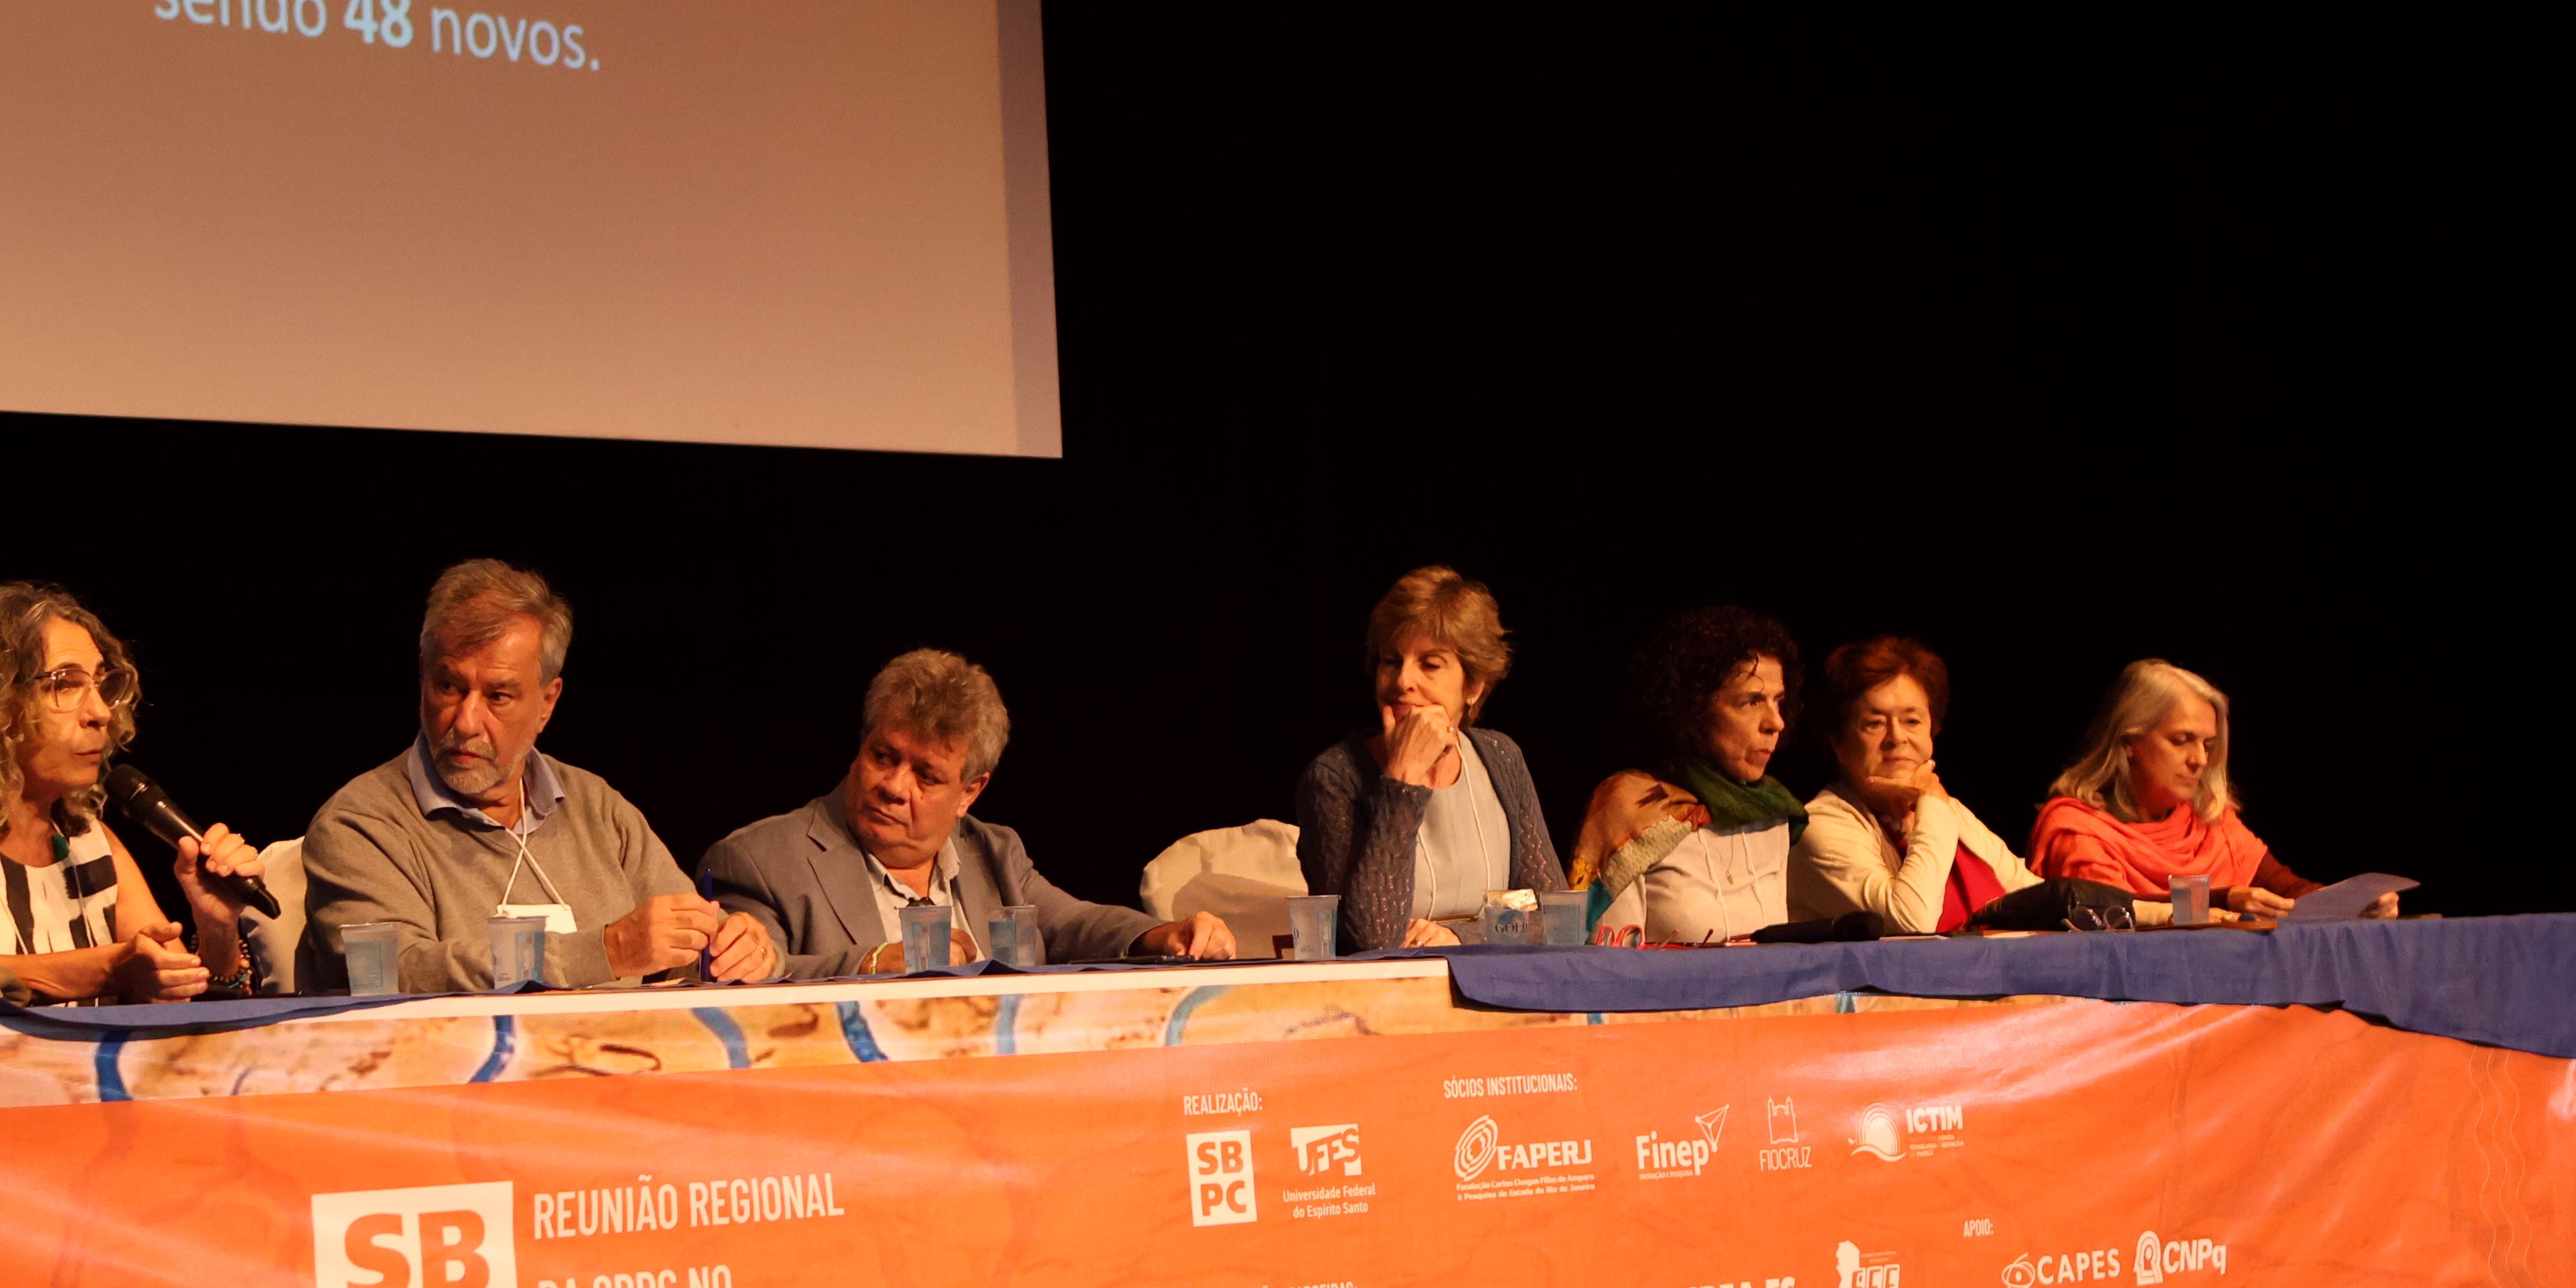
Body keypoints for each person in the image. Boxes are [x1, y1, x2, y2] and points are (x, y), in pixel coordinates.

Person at [298, 559, 777, 993]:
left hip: (619, 1073)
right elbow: (392, 975)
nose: (466, 721)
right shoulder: (359, 825)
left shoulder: (597, 808)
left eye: (498, 696)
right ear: (422, 677)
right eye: (448, 686)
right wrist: (605, 953)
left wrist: (734, 949)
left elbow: (685, 947)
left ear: (547, 702)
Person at [701, 650, 1238, 977]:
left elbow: (1074, 923)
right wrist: (873, 965)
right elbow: (754, 975)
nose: (892, 786)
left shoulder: (993, 852)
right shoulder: (761, 861)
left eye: (926, 775)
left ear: (969, 792)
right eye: (883, 756)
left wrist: (1163, 935)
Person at [0, 581, 266, 1004]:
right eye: (66, 684)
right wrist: (104, 971)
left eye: (101, 685)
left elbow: (188, 1004)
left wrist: (216, 926)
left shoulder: (91, 844)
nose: (101, 713)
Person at [1294, 565, 1569, 949]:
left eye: (1430, 664)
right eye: (1391, 660)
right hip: (1392, 997)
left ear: (1473, 684)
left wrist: (1460, 937)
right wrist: (1402, 780)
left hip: (1499, 987)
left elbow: (1558, 920)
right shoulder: (1333, 779)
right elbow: (1372, 939)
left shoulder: (1501, 757)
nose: (1403, 680)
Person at [2027, 657, 2396, 917]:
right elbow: (2118, 915)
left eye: (2207, 744)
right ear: (2129, 743)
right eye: (2182, 740)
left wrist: (2355, 905)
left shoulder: (2209, 820)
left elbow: (2288, 890)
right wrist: (2224, 900)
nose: (2200, 760)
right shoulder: (2077, 829)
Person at [1574, 607, 1810, 944]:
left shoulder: (1773, 811)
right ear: (1694, 709)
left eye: (1778, 701)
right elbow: (1607, 967)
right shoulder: (1635, 808)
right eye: (1752, 702)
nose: (1776, 722)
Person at [1786, 635, 2040, 934]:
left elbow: (2032, 897)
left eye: (1912, 721)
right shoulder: (1820, 825)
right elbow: (1909, 922)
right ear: (1838, 742)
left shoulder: (1948, 811)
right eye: (1875, 723)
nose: (1897, 738)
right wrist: (1931, 801)